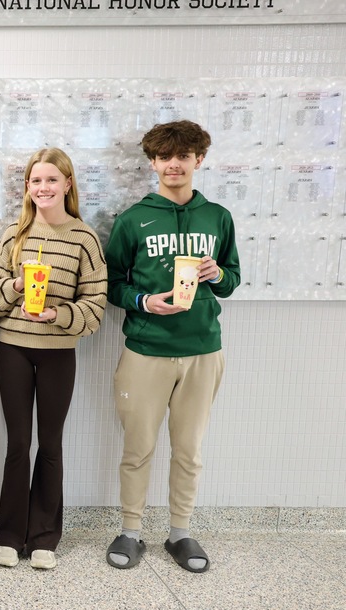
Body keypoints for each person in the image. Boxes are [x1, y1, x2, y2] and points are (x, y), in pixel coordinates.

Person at [104, 120, 240, 573]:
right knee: (138, 447)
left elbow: (232, 281)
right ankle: (131, 531)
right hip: (145, 350)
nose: (174, 164)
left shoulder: (217, 217)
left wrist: (216, 274)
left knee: (189, 449)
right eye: (165, 157)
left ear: (199, 159)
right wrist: (144, 301)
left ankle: (180, 533)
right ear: (153, 163)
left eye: (183, 156)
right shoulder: (132, 219)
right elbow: (111, 285)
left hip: (204, 351)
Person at [0, 148, 107, 571]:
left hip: (58, 354)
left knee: (50, 445)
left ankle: (44, 538)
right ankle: (9, 536)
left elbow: (95, 307)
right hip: (13, 348)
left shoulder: (84, 239)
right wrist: (16, 286)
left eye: (52, 180)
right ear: (27, 187)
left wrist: (58, 314)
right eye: (36, 181)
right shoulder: (13, 234)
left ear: (68, 185)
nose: (43, 188)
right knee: (18, 444)